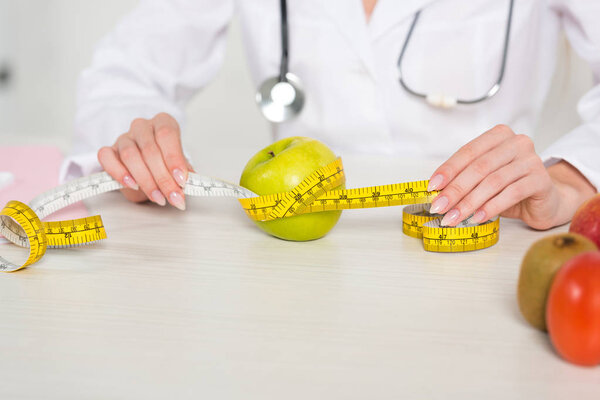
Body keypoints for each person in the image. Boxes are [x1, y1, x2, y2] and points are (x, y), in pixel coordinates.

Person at [63, 0, 599, 229]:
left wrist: (571, 180)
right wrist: (138, 148)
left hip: (492, 245)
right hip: (299, 264)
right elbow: (123, 74)